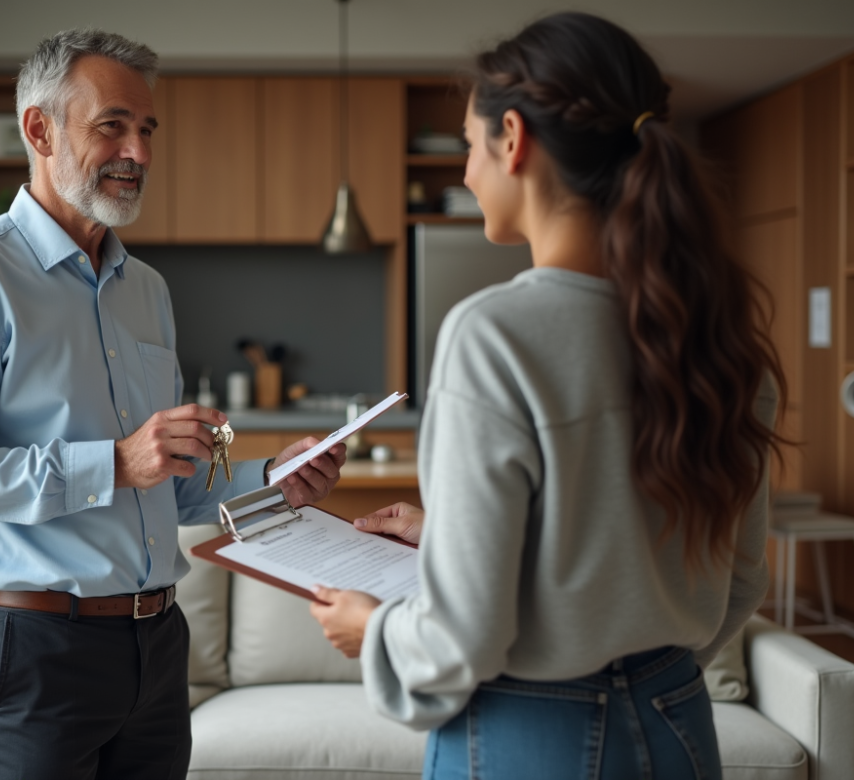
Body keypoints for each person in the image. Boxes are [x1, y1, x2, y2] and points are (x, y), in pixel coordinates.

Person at [309, 12, 784, 780]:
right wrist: (460, 542)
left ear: (513, 138)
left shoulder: (495, 334)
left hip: (534, 734)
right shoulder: (721, 343)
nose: (465, 172)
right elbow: (736, 579)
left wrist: (378, 631)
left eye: (468, 145)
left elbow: (461, 641)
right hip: (678, 720)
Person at [0, 29, 345, 780]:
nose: (137, 150)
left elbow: (165, 483)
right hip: (37, 648)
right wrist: (114, 462)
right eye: (112, 126)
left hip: (158, 646)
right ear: (40, 129)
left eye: (146, 129)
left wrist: (273, 479)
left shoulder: (149, 291)